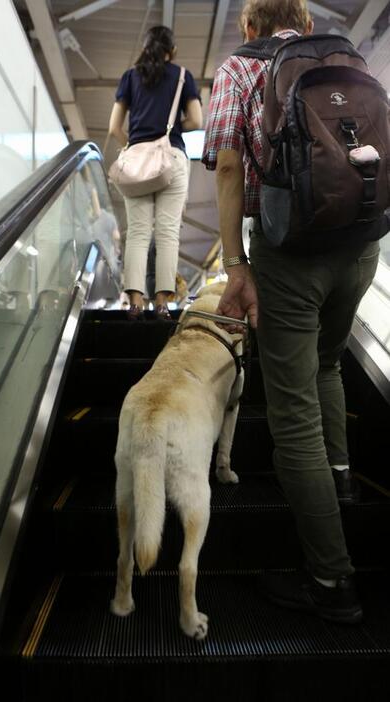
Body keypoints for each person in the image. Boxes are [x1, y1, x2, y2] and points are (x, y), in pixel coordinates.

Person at [202, 0, 380, 623]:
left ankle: (332, 582)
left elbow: (227, 165)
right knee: (328, 363)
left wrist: (236, 266)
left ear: (249, 26)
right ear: (304, 26)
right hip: (362, 246)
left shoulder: (239, 68)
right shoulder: (346, 59)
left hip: (288, 253)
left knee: (293, 411)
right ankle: (343, 479)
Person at [109, 25, 202, 320]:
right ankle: (162, 303)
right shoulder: (183, 76)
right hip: (171, 158)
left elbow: (114, 128)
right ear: (171, 51)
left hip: (137, 162)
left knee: (136, 233)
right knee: (167, 233)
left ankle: (135, 302)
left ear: (145, 48)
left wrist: (135, 146)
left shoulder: (130, 77)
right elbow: (198, 120)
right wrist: (171, 131)